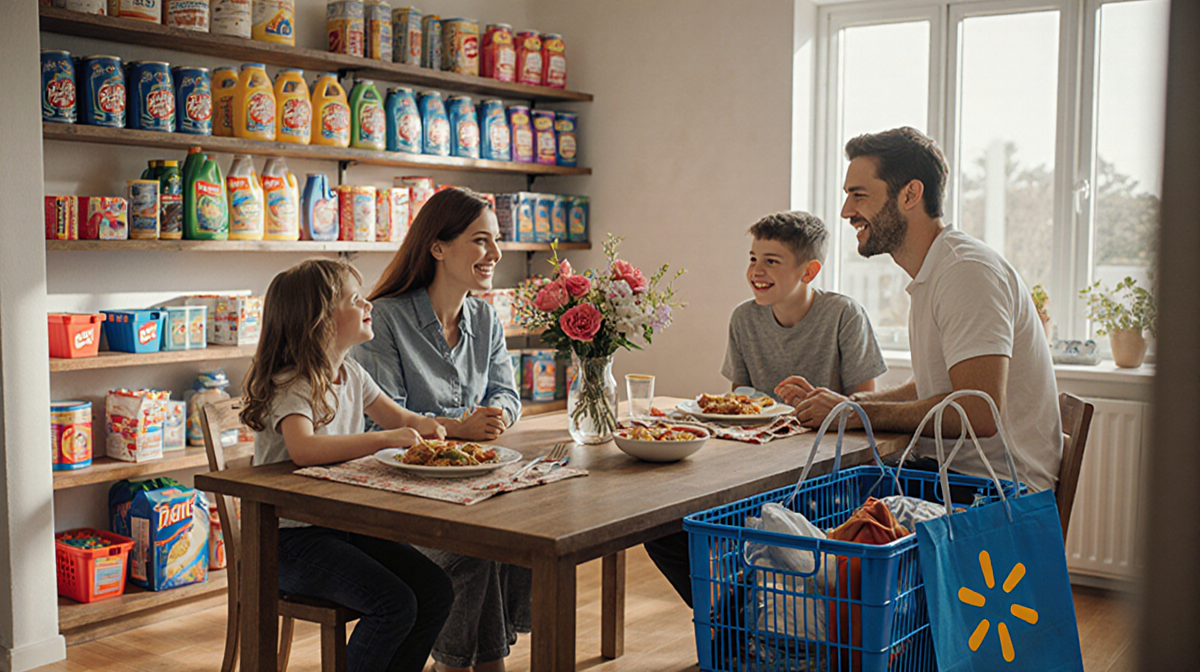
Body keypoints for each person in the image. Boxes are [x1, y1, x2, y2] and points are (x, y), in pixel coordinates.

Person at [793, 126, 1062, 492]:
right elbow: (934, 386)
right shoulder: (937, 271)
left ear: (910, 194)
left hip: (997, 496)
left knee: (805, 507)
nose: (846, 212)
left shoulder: (965, 272)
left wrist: (859, 414)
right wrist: (850, 404)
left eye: (859, 195)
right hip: (953, 480)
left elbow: (977, 411)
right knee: (808, 504)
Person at [645, 210, 888, 608]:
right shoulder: (743, 318)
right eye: (753, 258)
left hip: (823, 481)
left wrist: (821, 403)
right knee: (663, 530)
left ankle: (742, 619)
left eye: (771, 261)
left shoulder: (844, 315)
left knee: (757, 537)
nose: (756, 270)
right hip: (753, 469)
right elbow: (735, 405)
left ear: (809, 271)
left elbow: (862, 412)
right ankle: (732, 621)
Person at [240, 258, 455, 672]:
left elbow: (403, 420)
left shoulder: (351, 373)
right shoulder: (293, 383)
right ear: (320, 321)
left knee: (435, 590)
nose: (369, 305)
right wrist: (384, 440)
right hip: (287, 544)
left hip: (342, 529)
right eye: (356, 300)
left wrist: (441, 427)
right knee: (393, 605)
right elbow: (304, 448)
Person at [353, 187, 527, 672]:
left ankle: (464, 666)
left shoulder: (486, 318)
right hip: (392, 502)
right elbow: (377, 420)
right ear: (438, 247)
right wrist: (461, 428)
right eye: (481, 241)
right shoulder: (384, 317)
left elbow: (507, 395)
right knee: (479, 550)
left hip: (466, 487)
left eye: (495, 241)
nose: (495, 254)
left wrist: (498, 417)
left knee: (510, 536)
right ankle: (464, 667)